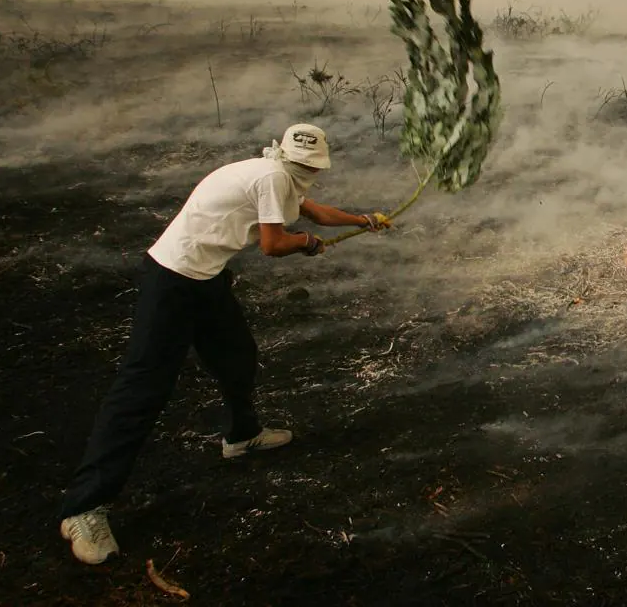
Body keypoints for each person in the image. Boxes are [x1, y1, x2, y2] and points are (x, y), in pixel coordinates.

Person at [58, 123, 390, 565]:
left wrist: (364, 221)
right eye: (301, 164)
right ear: (287, 157)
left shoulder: (274, 174)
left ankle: (242, 435)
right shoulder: (272, 177)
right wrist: (307, 245)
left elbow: (314, 212)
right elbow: (274, 245)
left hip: (205, 280)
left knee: (237, 356)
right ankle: (83, 509)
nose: (306, 171)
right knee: (141, 391)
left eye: (311, 165)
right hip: (172, 283)